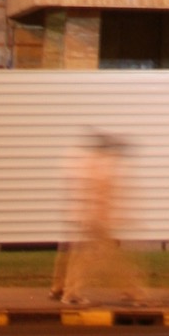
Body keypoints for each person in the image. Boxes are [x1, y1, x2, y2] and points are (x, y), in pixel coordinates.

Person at [50, 132, 149, 308]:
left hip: (84, 218)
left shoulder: (85, 162)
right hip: (95, 220)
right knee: (100, 259)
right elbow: (102, 197)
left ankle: (61, 289)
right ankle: (72, 294)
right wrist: (108, 221)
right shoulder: (103, 167)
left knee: (77, 256)